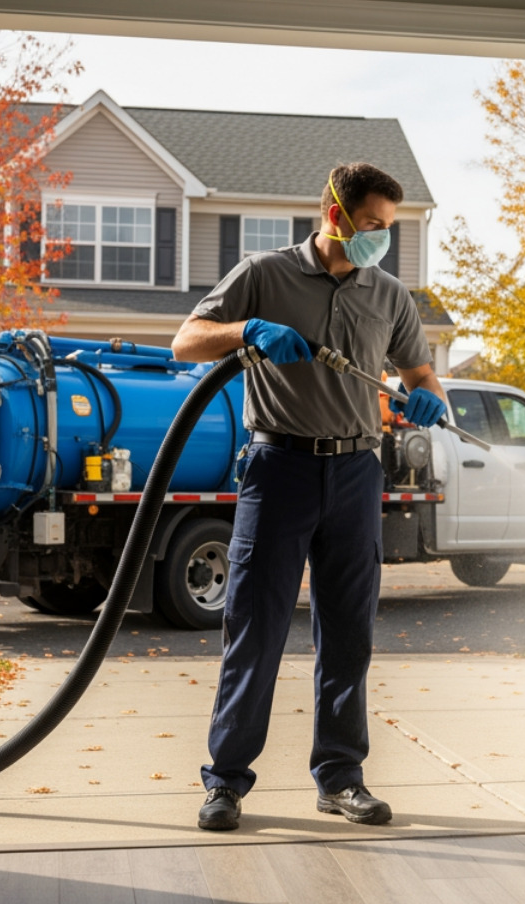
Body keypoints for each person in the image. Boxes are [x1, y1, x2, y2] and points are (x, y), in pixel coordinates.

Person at [171, 162, 449, 831]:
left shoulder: (390, 297)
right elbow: (185, 342)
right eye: (374, 225)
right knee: (256, 629)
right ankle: (227, 783)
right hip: (279, 467)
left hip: (357, 472)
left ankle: (340, 779)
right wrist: (247, 332)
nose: (382, 239)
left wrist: (427, 400)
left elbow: (421, 375)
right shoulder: (264, 274)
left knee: (349, 633)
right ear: (336, 214)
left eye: (390, 228)